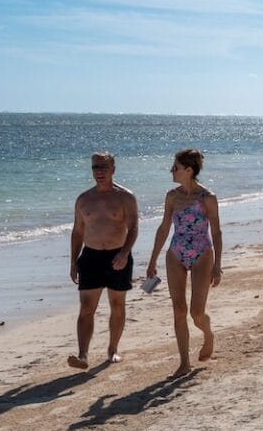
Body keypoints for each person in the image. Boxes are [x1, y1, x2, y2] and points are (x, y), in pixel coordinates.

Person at [145, 149, 223, 375]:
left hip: (202, 254)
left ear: (189, 170)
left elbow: (216, 232)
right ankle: (184, 363)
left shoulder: (207, 198)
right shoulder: (172, 196)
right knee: (178, 309)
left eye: (176, 167)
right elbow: (163, 228)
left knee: (196, 313)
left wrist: (217, 265)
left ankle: (208, 335)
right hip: (176, 253)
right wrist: (152, 260)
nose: (172, 170)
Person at [67, 151, 138, 371]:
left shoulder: (125, 197)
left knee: (117, 305)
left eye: (103, 167)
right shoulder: (84, 199)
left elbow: (134, 227)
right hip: (91, 256)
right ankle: (83, 355)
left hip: (118, 255)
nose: (99, 172)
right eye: (95, 167)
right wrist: (73, 260)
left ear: (113, 169)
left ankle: (113, 349)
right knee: (87, 307)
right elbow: (78, 232)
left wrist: (125, 252)